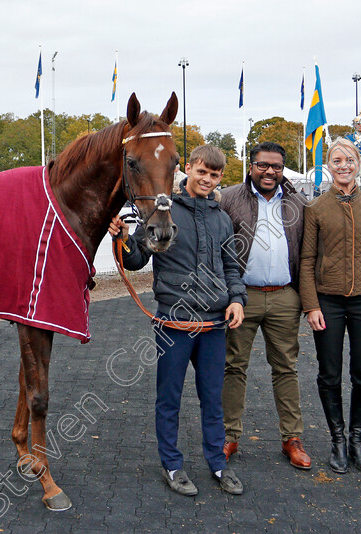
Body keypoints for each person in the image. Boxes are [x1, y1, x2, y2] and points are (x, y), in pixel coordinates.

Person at [108, 145, 247, 497]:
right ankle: (172, 464)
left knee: (213, 399)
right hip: (174, 322)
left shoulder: (221, 218)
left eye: (215, 175)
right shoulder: (161, 211)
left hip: (215, 324)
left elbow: (232, 266)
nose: (207, 179)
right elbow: (138, 259)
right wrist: (123, 238)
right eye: (202, 172)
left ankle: (218, 463)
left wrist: (236, 299)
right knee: (169, 398)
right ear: (188, 168)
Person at [300, 138, 361, 474]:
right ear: (328, 166)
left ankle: (357, 440)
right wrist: (311, 305)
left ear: (359, 164)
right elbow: (307, 258)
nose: (343, 165)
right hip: (327, 301)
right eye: (336, 160)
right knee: (329, 373)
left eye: (350, 160)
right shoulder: (314, 209)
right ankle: (337, 440)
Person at [219, 142, 311, 469]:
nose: (269, 171)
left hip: (286, 296)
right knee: (234, 366)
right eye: (262, 165)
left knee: (286, 367)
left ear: (282, 169)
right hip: (242, 296)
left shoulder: (299, 202)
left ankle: (292, 438)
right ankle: (228, 436)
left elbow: (309, 253)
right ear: (251, 166)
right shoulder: (227, 199)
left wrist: (307, 298)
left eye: (275, 166)